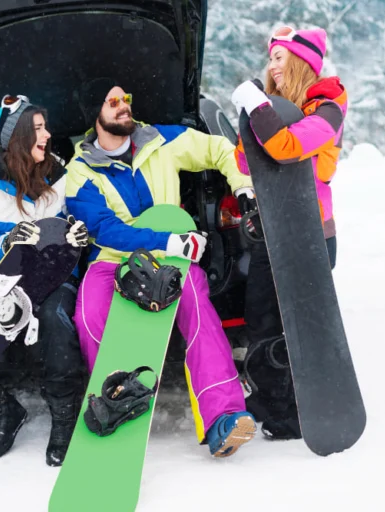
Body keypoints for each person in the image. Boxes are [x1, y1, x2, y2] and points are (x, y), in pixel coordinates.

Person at [65, 79, 257, 458]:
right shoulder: (80, 170)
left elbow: (220, 148)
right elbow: (104, 229)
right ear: (95, 115)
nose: (123, 106)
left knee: (200, 310)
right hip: (112, 259)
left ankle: (224, 419)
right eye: (112, 101)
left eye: (126, 99)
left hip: (172, 260)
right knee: (88, 317)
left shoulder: (160, 140)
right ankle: (116, 406)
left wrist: (242, 186)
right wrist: (168, 241)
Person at [230, 25, 348, 440]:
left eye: (278, 58)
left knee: (294, 327)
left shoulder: (329, 108)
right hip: (272, 231)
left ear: (301, 62)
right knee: (261, 319)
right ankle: (269, 403)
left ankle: (298, 412)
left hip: (309, 235)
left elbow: (286, 148)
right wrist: (252, 119)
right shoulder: (279, 108)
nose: (272, 67)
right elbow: (247, 165)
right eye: (270, 59)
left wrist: (257, 108)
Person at [0, 95, 89, 466]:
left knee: (54, 319)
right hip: (7, 282)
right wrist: (6, 241)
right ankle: (1, 410)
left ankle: (65, 417)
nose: (48, 135)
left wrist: (79, 234)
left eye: (45, 127)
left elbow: (80, 225)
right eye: (38, 129)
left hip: (55, 276)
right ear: (15, 136)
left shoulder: (61, 175)